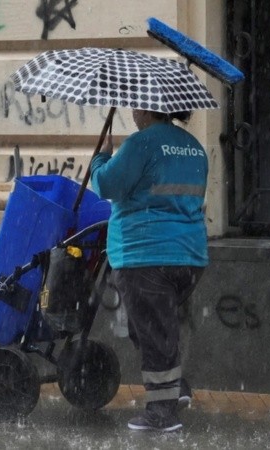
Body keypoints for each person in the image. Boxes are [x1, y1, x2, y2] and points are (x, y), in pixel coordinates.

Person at [90, 108, 208, 432]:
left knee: (153, 331)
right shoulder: (193, 146)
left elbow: (106, 185)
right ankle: (175, 389)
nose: (131, 111)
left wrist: (100, 159)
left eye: (135, 106)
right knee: (150, 326)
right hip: (190, 256)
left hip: (146, 254)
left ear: (146, 108)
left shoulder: (140, 144)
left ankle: (162, 413)